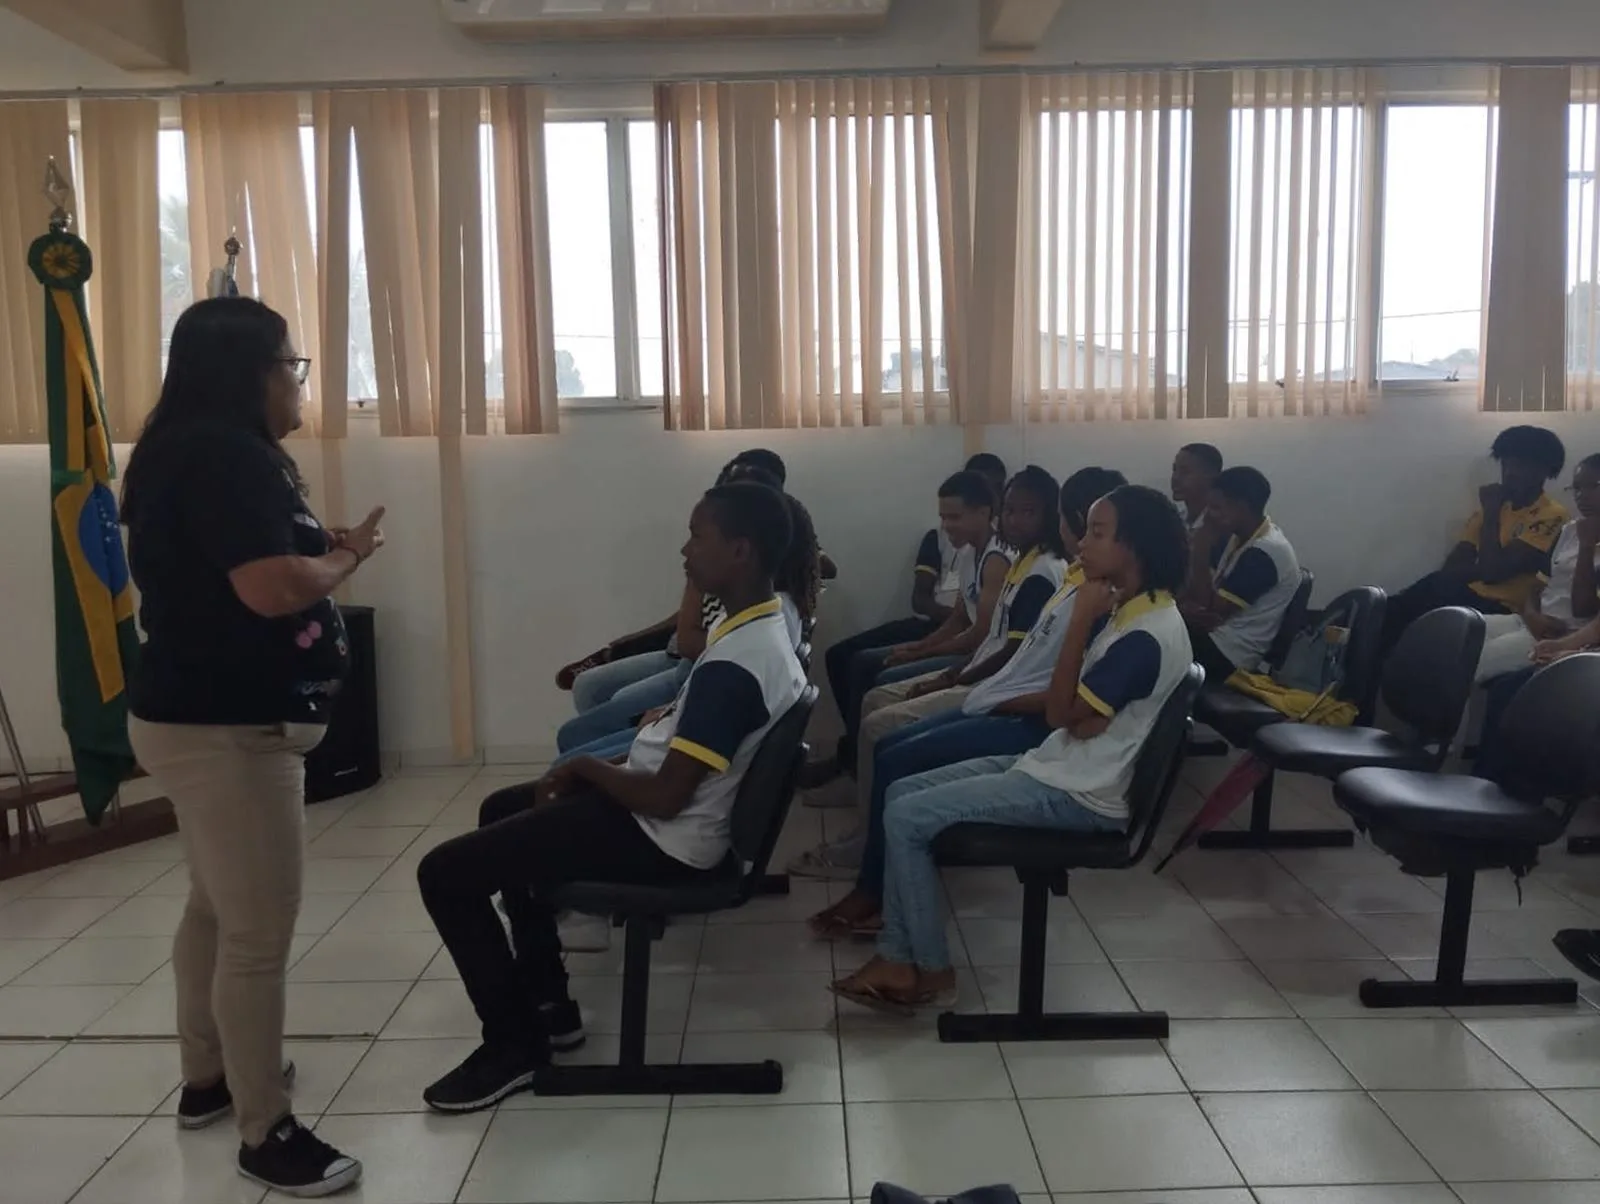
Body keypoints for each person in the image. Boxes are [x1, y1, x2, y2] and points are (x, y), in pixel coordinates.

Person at [416, 481, 806, 1112]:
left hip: (664, 843)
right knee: (503, 812)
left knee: (443, 873)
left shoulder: (740, 661)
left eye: (696, 536)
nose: (684, 551)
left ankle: (514, 1046)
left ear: (740, 551)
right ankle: (549, 1005)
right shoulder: (755, 633)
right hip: (662, 821)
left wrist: (590, 769)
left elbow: (664, 798)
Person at [120, 297, 378, 1197]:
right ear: (250, 373)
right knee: (259, 932)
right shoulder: (226, 457)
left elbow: (240, 568)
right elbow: (271, 590)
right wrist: (345, 561)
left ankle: (209, 1079)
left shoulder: (180, 449)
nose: (298, 381)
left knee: (214, 908)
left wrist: (319, 548)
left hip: (186, 714)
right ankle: (264, 1132)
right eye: (291, 365)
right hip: (227, 728)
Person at [830, 484, 1193, 1011]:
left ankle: (921, 967)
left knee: (907, 815)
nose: (1081, 546)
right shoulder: (1133, 609)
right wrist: (1078, 709)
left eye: (1096, 533)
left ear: (1134, 546)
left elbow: (1059, 713)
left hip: (1080, 793)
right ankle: (903, 957)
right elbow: (1078, 721)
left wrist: (1079, 627)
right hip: (1062, 763)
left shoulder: (1145, 632)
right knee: (902, 792)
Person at [807, 467, 1127, 940]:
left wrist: (981, 689)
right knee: (891, 742)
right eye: (1010, 510)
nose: (1015, 521)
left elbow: (1061, 694)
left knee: (894, 748)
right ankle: (876, 876)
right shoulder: (1072, 582)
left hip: (1035, 723)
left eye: (1093, 530)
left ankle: (875, 885)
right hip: (1008, 699)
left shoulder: (1080, 591)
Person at [788, 468, 1062, 879]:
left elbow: (991, 643)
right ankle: (864, 796)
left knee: (880, 710)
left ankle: (871, 836)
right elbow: (960, 620)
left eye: (1028, 512)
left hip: (989, 679)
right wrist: (920, 648)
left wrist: (946, 676)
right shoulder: (1006, 558)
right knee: (873, 690)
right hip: (982, 671)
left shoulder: (1018, 565)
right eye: (1011, 511)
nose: (1015, 520)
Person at [807, 455, 1008, 788]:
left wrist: (918, 654)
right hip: (961, 643)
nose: (947, 526)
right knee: (862, 662)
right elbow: (959, 617)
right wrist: (917, 646)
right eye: (943, 517)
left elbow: (978, 636)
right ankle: (858, 775)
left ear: (985, 512)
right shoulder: (970, 552)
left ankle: (863, 776)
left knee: (880, 678)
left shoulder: (997, 559)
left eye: (955, 517)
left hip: (977, 658)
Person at [1380, 425, 1569, 654]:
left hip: (1502, 607)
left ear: (1543, 470)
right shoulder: (1496, 506)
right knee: (1400, 608)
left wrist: (1490, 515)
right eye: (1505, 463)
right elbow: (1452, 567)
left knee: (1404, 608)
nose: (1509, 472)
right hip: (1461, 593)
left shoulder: (1551, 515)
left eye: (1519, 464)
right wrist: (1485, 564)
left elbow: (1492, 573)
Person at [1474, 453, 1600, 683]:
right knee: (1457, 637)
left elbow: (1583, 609)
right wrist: (1531, 614)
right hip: (1530, 621)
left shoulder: (1583, 537)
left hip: (1565, 633)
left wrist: (1587, 546)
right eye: (1577, 488)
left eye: (1594, 486)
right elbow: (1539, 583)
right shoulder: (1569, 530)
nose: (1582, 496)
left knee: (1468, 663)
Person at [1180, 466, 1301, 685]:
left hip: (1231, 655)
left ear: (1242, 508)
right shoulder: (1237, 538)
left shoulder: (1265, 551)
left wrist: (1200, 550)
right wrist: (1185, 609)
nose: (1208, 517)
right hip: (1215, 640)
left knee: (1151, 641)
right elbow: (1196, 594)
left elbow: (1208, 609)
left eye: (1216, 508)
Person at [1171, 442, 1223, 532]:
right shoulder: (1175, 522)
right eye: (1174, 470)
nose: (1175, 478)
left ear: (1211, 476)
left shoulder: (1222, 526)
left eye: (1185, 472)